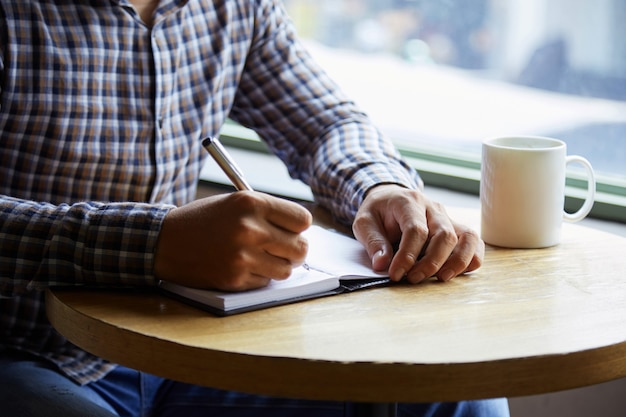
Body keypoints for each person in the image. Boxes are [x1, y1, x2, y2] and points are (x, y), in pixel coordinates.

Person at [0, 1, 509, 416]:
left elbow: (324, 125)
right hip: (29, 354)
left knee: (458, 395)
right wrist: (152, 244)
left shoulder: (234, 7)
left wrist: (379, 186)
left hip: (192, 345)